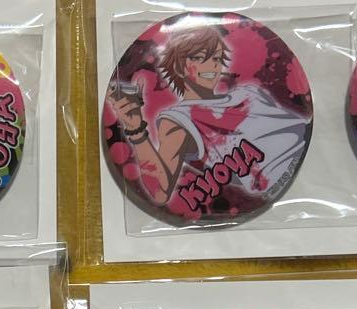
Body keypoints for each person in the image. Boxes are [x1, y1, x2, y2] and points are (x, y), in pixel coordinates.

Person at [107, 24, 310, 209]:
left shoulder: (248, 92)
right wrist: (136, 130)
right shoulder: (179, 120)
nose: (211, 65)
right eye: (198, 58)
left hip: (311, 151)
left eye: (216, 58)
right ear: (178, 67)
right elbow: (160, 192)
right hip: (292, 188)